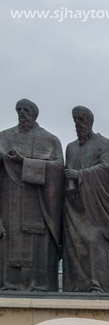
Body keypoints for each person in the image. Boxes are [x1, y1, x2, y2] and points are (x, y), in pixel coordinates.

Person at [0, 99, 64, 291]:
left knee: (38, 241)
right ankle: (9, 285)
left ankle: (38, 285)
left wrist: (25, 162)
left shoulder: (49, 140)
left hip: (38, 202)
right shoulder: (4, 137)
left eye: (26, 110)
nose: (22, 113)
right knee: (9, 239)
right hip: (10, 199)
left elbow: (58, 168)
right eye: (19, 109)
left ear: (34, 114)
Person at [62, 106, 109, 292]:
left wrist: (80, 175)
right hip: (73, 206)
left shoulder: (104, 144)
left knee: (95, 242)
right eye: (75, 119)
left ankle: (97, 286)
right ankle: (74, 286)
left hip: (96, 207)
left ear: (90, 121)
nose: (77, 123)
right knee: (73, 246)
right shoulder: (70, 147)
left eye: (81, 119)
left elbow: (108, 169)